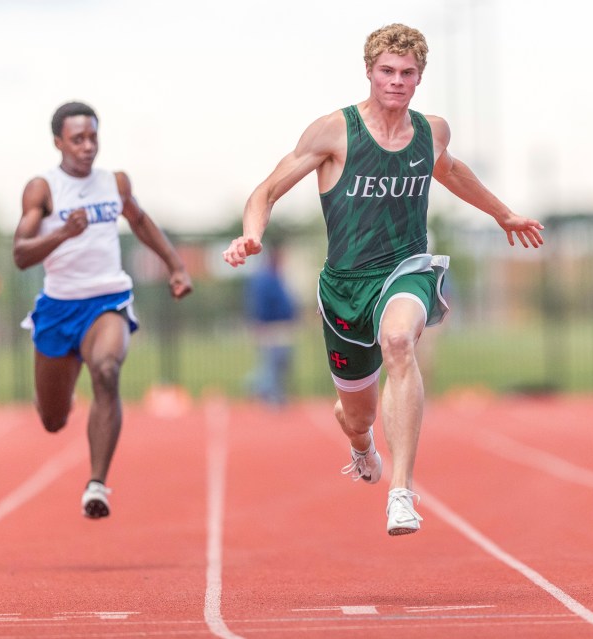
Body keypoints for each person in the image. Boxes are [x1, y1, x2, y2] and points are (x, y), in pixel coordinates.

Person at [223, 24, 544, 535]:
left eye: (407, 73)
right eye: (387, 72)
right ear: (370, 72)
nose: (396, 81)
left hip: (406, 270)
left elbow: (452, 171)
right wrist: (251, 236)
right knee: (358, 415)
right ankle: (359, 443)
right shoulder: (333, 131)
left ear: (419, 77)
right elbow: (265, 191)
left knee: (399, 341)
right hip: (346, 287)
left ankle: (402, 492)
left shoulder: (431, 130)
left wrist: (503, 214)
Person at [13, 101, 192, 519]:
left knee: (108, 372)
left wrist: (176, 266)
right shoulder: (42, 189)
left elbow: (142, 221)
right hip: (58, 308)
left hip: (107, 299)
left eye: (93, 136)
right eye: (78, 139)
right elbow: (20, 254)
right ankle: (65, 385)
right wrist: (62, 233)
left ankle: (96, 484)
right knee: (53, 420)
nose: (88, 146)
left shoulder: (115, 183)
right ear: (58, 142)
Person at [244, 243, 298, 406]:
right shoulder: (265, 277)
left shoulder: (276, 276)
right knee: (271, 363)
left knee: (280, 363)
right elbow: (260, 303)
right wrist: (260, 322)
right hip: (271, 326)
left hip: (282, 325)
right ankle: (264, 392)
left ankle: (270, 391)